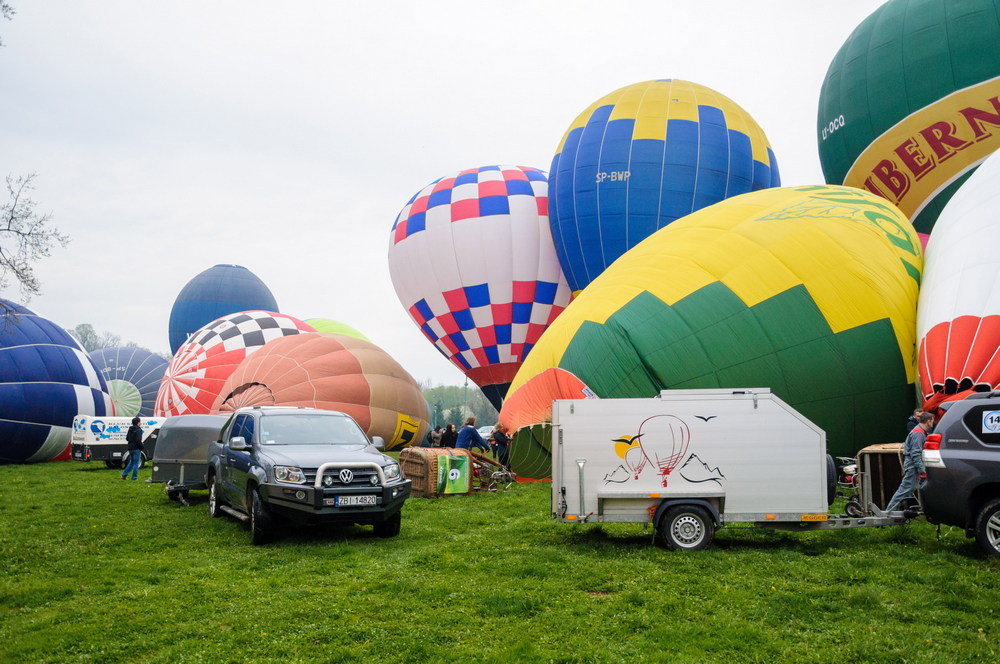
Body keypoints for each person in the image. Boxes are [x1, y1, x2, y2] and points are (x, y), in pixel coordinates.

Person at [885, 411, 934, 513]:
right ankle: (888, 513)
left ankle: (895, 512)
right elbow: (916, 454)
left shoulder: (918, 431)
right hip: (913, 466)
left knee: (909, 489)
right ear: (928, 421)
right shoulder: (918, 434)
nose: (933, 423)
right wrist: (922, 470)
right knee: (905, 489)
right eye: (932, 421)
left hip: (914, 465)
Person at [120, 416, 144, 481]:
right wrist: (141, 446)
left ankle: (124, 475)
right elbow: (138, 440)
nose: (140, 423)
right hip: (136, 448)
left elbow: (127, 438)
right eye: (140, 422)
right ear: (138, 423)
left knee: (131, 462)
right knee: (136, 463)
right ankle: (134, 477)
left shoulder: (130, 429)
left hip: (130, 448)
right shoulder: (138, 429)